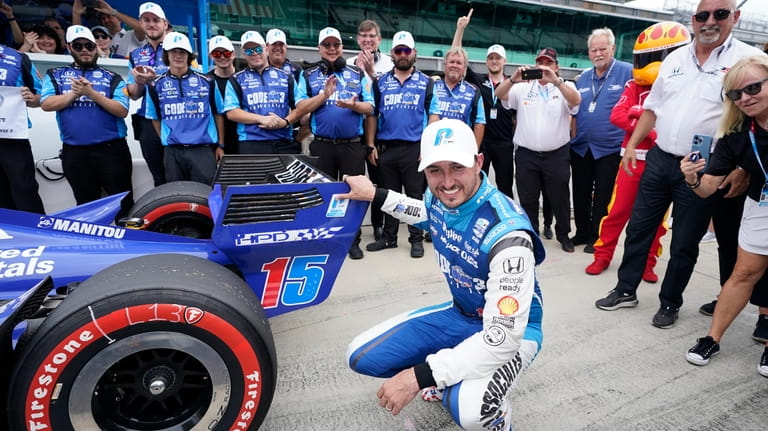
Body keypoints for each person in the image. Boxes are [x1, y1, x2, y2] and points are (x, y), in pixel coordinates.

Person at [344, 118, 544, 431]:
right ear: (423, 168)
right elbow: (424, 214)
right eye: (436, 170)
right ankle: (454, 368)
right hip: (462, 315)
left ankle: (497, 414)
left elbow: (502, 339)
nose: (447, 182)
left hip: (514, 334)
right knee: (360, 356)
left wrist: (419, 376)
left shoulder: (509, 236)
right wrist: (375, 194)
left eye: (457, 167)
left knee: (470, 412)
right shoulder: (438, 199)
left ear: (479, 163)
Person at [594, 0, 765, 329]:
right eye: (702, 16)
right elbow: (652, 108)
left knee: (685, 240)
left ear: (736, 17)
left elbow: (758, 115)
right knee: (640, 228)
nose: (709, 22)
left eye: (720, 14)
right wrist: (631, 145)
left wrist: (743, 167)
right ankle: (625, 289)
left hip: (705, 167)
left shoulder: (747, 60)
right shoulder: (674, 58)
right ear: (693, 20)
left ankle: (670, 302)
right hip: (660, 157)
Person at [680, 55, 768, 377]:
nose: (745, 98)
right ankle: (711, 338)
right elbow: (706, 189)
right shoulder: (737, 134)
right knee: (743, 272)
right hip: (762, 205)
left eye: (753, 87)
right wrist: (690, 176)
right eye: (736, 94)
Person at [585, 21, 690, 281]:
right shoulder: (634, 85)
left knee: (657, 221)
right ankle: (603, 255)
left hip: (664, 163)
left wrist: (640, 120)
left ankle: (648, 263)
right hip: (632, 161)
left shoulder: (680, 88)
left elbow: (679, 126)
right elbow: (617, 115)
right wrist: (648, 128)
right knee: (617, 212)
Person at [295, 26, 374, 260]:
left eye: (335, 45)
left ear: (341, 47)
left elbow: (370, 107)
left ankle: (352, 239)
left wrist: (354, 106)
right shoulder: (307, 75)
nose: (331, 49)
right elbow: (300, 108)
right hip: (322, 145)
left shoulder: (357, 73)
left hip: (351, 146)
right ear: (319, 48)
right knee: (323, 194)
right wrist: (323, 96)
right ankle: (325, 238)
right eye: (326, 45)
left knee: (355, 193)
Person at [40, 25, 133, 218]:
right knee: (86, 205)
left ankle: (132, 246)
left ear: (95, 47)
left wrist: (91, 93)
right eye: (79, 46)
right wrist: (73, 94)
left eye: (89, 46)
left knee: (124, 204)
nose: (84, 50)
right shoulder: (55, 75)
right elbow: (46, 104)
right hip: (75, 153)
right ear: (69, 47)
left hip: (112, 151)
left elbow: (121, 110)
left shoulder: (113, 77)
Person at [495, 47, 581, 252]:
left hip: (557, 154)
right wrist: (513, 79)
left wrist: (556, 81)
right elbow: (500, 94)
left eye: (549, 63)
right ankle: (531, 233)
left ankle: (563, 235)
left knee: (559, 197)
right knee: (527, 197)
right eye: (540, 62)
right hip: (527, 154)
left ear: (556, 66)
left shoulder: (565, 86)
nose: (544, 66)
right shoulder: (523, 87)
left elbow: (576, 102)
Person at [364, 30, 438, 258]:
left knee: (414, 196)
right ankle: (389, 237)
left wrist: (427, 148)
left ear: (414, 53)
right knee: (389, 196)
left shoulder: (426, 82)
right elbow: (373, 115)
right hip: (387, 147)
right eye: (399, 50)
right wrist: (370, 145)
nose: (403, 54)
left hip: (414, 148)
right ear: (392, 54)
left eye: (407, 50)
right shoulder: (380, 82)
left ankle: (416, 239)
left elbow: (433, 115)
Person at [569, 28, 633, 253]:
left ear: (613, 49)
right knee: (580, 192)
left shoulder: (627, 72)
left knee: (603, 196)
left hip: (609, 148)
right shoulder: (584, 77)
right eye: (593, 50)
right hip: (581, 147)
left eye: (602, 49)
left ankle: (597, 236)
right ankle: (582, 231)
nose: (598, 54)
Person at [451, 9, 516, 199]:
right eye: (491, 58)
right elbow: (457, 56)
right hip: (482, 142)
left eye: (498, 58)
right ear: (487, 61)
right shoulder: (478, 80)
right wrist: (460, 30)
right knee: (477, 182)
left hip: (504, 143)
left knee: (505, 185)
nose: (494, 61)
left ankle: (507, 220)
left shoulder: (513, 82)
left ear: (504, 61)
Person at [145, 31, 224, 184]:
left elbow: (218, 114)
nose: (178, 56)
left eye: (182, 52)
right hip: (173, 152)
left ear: (189, 55)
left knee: (206, 196)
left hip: (203, 149)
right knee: (177, 196)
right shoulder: (155, 85)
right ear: (167, 55)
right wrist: (169, 138)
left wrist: (220, 145)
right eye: (173, 52)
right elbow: (155, 118)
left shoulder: (208, 81)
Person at [347, 19, 394, 242]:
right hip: (354, 135)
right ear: (358, 38)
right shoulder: (347, 63)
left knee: (379, 183)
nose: (367, 40)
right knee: (354, 182)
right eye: (363, 36)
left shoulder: (390, 64)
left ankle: (378, 225)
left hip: (380, 135)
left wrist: (371, 72)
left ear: (379, 39)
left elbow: (388, 98)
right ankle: (351, 231)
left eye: (372, 36)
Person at [222, 31, 301, 154]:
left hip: (283, 141)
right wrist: (261, 119)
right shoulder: (236, 79)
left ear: (266, 49)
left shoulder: (286, 77)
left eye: (258, 49)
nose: (254, 53)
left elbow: (299, 108)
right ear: (244, 54)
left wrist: (285, 122)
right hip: (251, 143)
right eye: (249, 51)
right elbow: (231, 112)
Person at [126, 1, 169, 187]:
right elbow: (134, 95)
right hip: (147, 120)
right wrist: (139, 81)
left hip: (174, 117)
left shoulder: (178, 49)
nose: (151, 24)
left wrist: (154, 79)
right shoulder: (136, 54)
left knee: (176, 172)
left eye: (156, 20)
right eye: (146, 20)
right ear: (141, 23)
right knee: (158, 177)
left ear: (165, 23)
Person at [0, 41, 44, 213]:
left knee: (24, 190)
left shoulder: (18, 58)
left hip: (13, 137)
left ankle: (36, 236)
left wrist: (32, 98)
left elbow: (41, 97)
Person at [429, 47, 485, 146]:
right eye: (451, 62)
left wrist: (474, 152)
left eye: (459, 63)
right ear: (445, 65)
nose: (454, 65)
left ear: (465, 68)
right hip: (434, 146)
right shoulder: (432, 86)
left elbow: (480, 122)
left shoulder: (474, 91)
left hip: (461, 147)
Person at [72, 0, 146, 58]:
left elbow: (143, 29)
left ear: (119, 19)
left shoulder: (130, 35)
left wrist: (114, 12)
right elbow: (76, 40)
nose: (106, 20)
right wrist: (76, 14)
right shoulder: (96, 37)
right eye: (103, 18)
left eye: (109, 16)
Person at [206, 35, 238, 155]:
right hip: (216, 141)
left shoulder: (243, 78)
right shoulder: (205, 81)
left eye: (226, 53)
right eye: (217, 54)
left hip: (241, 138)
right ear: (211, 56)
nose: (223, 57)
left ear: (233, 54)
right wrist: (218, 144)